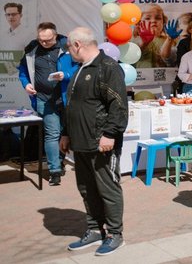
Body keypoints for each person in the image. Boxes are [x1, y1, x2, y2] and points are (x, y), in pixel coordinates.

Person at [61, 27, 128, 256]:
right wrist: (66, 132)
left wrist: (110, 134)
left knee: (107, 189)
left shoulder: (108, 67)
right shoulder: (80, 69)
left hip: (101, 142)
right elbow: (73, 103)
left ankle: (115, 234)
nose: (68, 52)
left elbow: (118, 105)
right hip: (80, 142)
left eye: (69, 47)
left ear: (77, 45)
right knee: (87, 189)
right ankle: (94, 229)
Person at [17, 22, 77, 186]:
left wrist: (65, 75)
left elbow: (81, 68)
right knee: (52, 133)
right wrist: (26, 84)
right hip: (45, 98)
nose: (43, 43)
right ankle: (54, 171)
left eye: (48, 40)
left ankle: (60, 160)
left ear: (55, 36)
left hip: (68, 98)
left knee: (67, 132)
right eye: (41, 39)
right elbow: (22, 70)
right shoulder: (32, 49)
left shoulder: (69, 47)